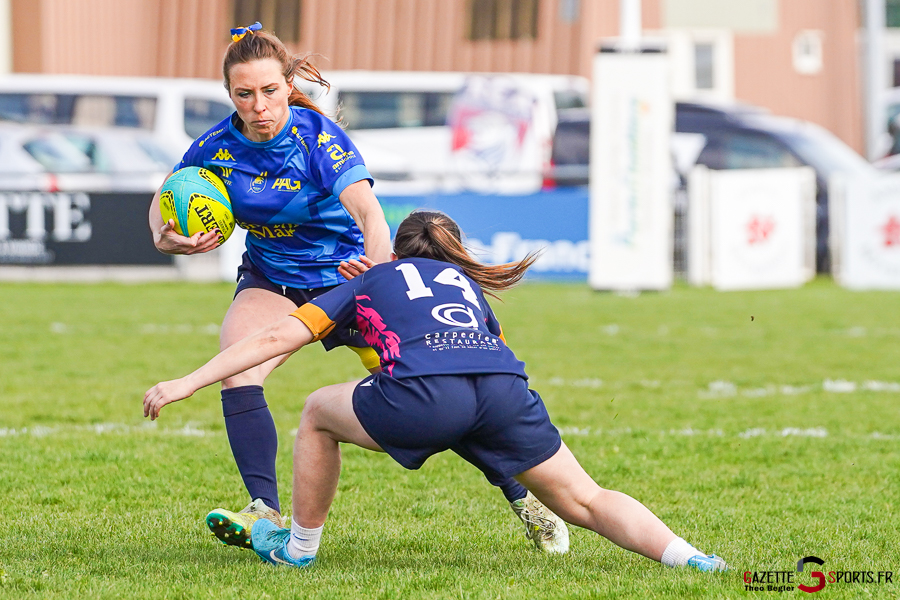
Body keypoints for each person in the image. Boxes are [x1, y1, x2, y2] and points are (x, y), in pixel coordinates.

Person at [147, 23, 568, 552]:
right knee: (239, 365)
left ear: (287, 84)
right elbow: (170, 190)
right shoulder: (215, 145)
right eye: (244, 94)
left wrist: (377, 268)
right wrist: (164, 238)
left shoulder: (317, 138)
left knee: (428, 394)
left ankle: (523, 499)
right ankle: (263, 508)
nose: (259, 106)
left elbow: (369, 211)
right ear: (229, 94)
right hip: (271, 278)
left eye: (270, 91)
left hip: (351, 283)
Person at [144, 210, 728, 572]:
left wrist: (188, 381)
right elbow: (483, 347)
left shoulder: (370, 276)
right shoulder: (466, 286)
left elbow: (276, 335)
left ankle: (297, 547)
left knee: (318, 411)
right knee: (586, 499)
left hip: (426, 394)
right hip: (504, 388)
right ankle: (691, 557)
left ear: (394, 251)